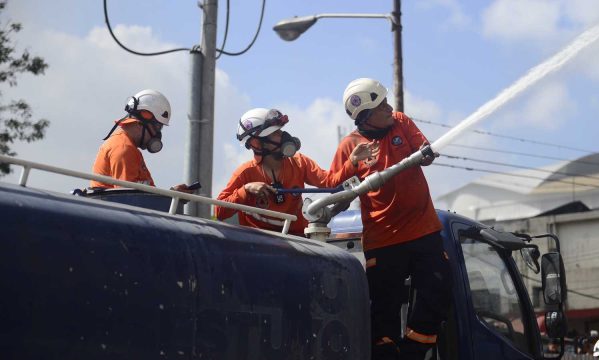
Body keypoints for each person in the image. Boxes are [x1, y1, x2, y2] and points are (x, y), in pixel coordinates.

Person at [330, 78, 451, 360]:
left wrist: (426, 154)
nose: (390, 107)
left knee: (437, 289)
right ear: (366, 116)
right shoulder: (350, 146)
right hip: (383, 241)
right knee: (383, 312)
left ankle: (413, 352)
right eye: (381, 105)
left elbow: (425, 153)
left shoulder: (400, 122)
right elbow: (332, 189)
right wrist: (353, 166)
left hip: (424, 230)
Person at [215, 107, 378, 236]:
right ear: (257, 143)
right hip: (259, 246)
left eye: (281, 131)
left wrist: (352, 161)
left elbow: (330, 183)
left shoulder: (300, 162)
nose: (284, 136)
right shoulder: (245, 173)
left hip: (297, 242)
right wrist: (245, 190)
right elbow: (220, 211)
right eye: (276, 133)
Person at [90, 89, 190, 192]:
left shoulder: (128, 147)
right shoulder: (124, 149)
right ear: (139, 124)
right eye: (157, 127)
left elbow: (142, 196)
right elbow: (127, 197)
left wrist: (173, 195)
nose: (157, 134)